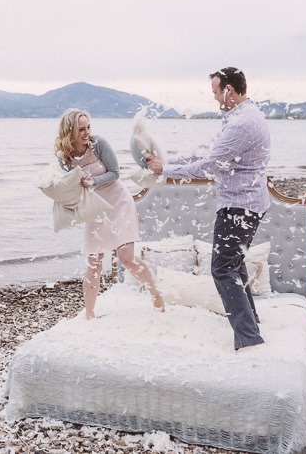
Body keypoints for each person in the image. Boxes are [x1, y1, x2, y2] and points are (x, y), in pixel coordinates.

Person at [146, 67, 270, 352]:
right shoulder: (242, 117)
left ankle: (250, 339)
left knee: (222, 269)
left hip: (239, 206)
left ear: (228, 90)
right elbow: (207, 151)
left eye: (215, 92)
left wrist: (166, 169)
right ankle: (252, 325)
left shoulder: (241, 124)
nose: (214, 98)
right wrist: (168, 160)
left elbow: (209, 165)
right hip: (248, 203)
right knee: (234, 265)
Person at [55, 108, 165, 320]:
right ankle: (89, 314)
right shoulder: (64, 156)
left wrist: (93, 181)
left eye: (88, 127)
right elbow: (71, 184)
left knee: (127, 259)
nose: (87, 133)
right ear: (69, 131)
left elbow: (115, 173)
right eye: (81, 129)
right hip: (95, 208)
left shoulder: (99, 144)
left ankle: (155, 294)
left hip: (119, 203)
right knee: (94, 263)